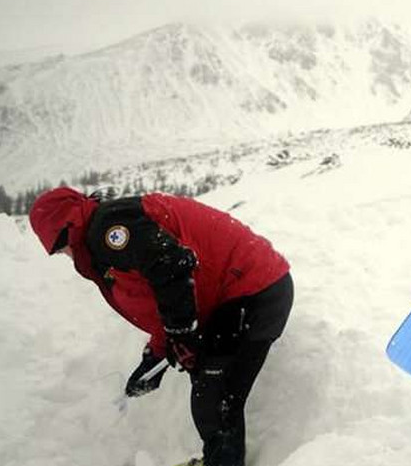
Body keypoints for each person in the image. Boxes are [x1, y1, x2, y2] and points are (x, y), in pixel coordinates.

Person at [29, 187, 292, 466]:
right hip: (236, 295)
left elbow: (172, 265)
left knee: (215, 394)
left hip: (254, 291)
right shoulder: (104, 234)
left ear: (67, 227)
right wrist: (156, 355)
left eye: (60, 245)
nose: (64, 254)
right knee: (210, 389)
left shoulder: (109, 229)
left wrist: (181, 335)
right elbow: (160, 295)